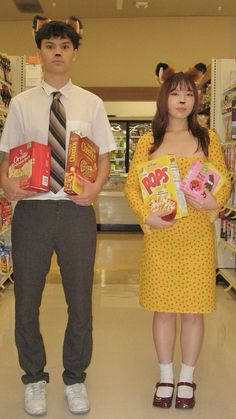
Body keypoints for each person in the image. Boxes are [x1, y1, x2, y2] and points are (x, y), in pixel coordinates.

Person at [0, 16, 116, 416]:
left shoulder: (91, 103)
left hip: (75, 211)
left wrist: (96, 188)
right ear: (41, 52)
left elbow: (102, 156)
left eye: (64, 47)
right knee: (26, 299)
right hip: (31, 211)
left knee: (79, 299)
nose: (57, 53)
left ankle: (74, 377)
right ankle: (33, 378)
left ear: (74, 52)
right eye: (50, 46)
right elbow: (6, 155)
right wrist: (7, 185)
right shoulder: (20, 103)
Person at [125, 68, 231, 409]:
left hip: (197, 236)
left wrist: (215, 201)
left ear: (196, 100)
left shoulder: (208, 139)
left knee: (193, 311)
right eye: (175, 93)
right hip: (161, 237)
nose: (183, 99)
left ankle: (187, 376)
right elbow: (132, 185)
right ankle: (166, 375)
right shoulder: (147, 142)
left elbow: (223, 179)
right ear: (164, 98)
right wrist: (146, 216)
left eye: (188, 94)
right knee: (165, 310)